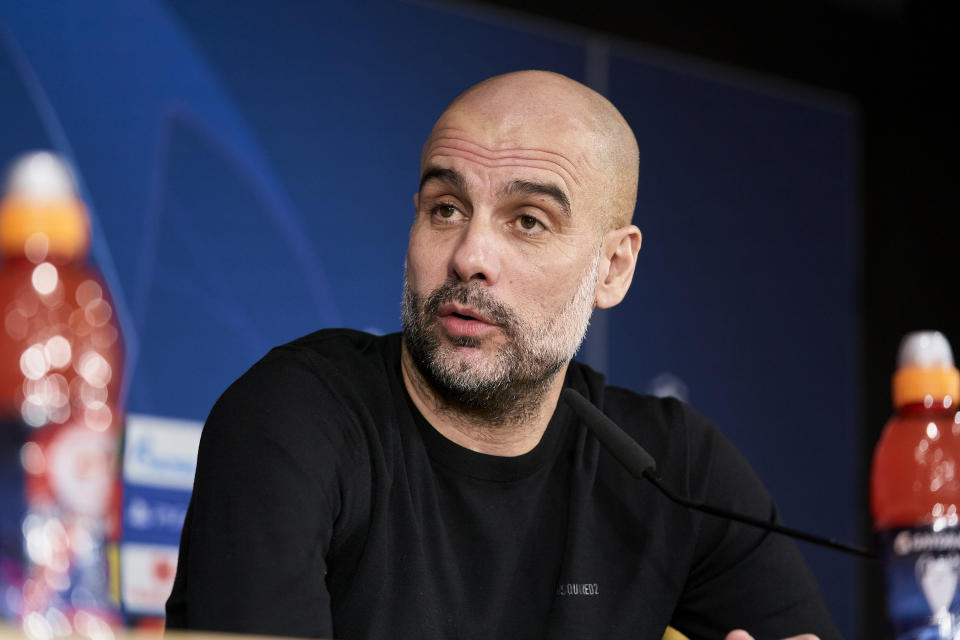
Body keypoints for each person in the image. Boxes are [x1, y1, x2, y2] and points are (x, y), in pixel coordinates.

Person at [165, 70, 838, 640]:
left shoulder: (672, 468)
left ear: (613, 268)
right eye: (447, 208)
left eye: (527, 221)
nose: (469, 257)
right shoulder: (294, 416)